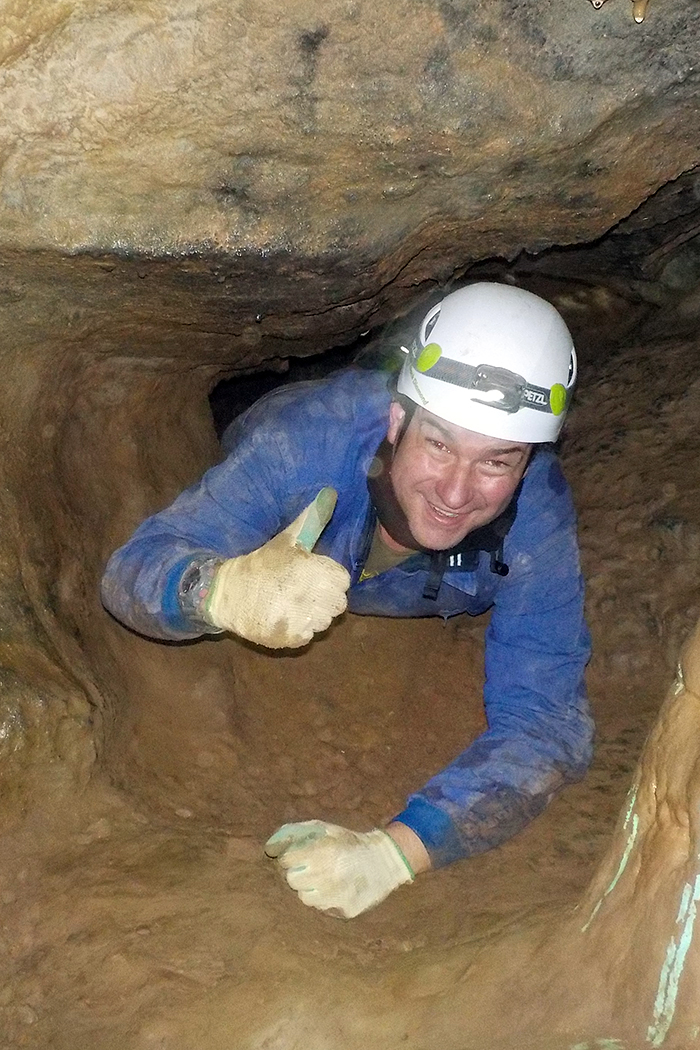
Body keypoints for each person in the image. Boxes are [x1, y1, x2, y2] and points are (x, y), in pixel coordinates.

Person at [101, 282, 593, 919]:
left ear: (527, 462)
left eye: (495, 463)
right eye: (439, 443)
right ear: (398, 420)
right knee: (258, 427)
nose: (456, 489)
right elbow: (130, 570)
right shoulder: (306, 443)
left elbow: (548, 722)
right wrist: (219, 591)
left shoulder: (536, 514)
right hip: (271, 417)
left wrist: (396, 853)